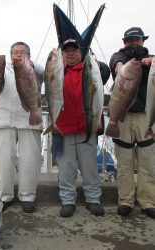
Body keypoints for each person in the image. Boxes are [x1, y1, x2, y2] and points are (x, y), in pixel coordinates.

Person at [53, 39, 110, 218]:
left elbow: (107, 71)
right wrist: (56, 67)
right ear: (62, 54)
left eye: (74, 50)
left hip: (88, 127)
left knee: (90, 167)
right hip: (63, 129)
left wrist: (96, 62)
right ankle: (68, 200)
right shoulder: (56, 72)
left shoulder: (91, 70)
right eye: (66, 51)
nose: (70, 53)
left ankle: (93, 199)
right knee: (66, 169)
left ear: (80, 52)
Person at [0, 41, 44, 213]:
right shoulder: (2, 69)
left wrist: (27, 62)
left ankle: (28, 196)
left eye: (23, 52)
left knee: (29, 160)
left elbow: (45, 71)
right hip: (3, 119)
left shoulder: (35, 69)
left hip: (30, 119)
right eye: (15, 52)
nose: (19, 54)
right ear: (10, 54)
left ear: (30, 54)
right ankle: (4, 196)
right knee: (3, 160)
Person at [109, 27, 155, 219]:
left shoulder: (151, 59)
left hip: (146, 116)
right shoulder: (118, 57)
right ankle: (125, 200)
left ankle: (148, 201)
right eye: (130, 41)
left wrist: (150, 61)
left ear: (143, 42)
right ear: (124, 42)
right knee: (125, 162)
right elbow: (115, 62)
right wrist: (120, 66)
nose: (133, 44)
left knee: (148, 162)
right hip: (123, 116)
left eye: (137, 40)